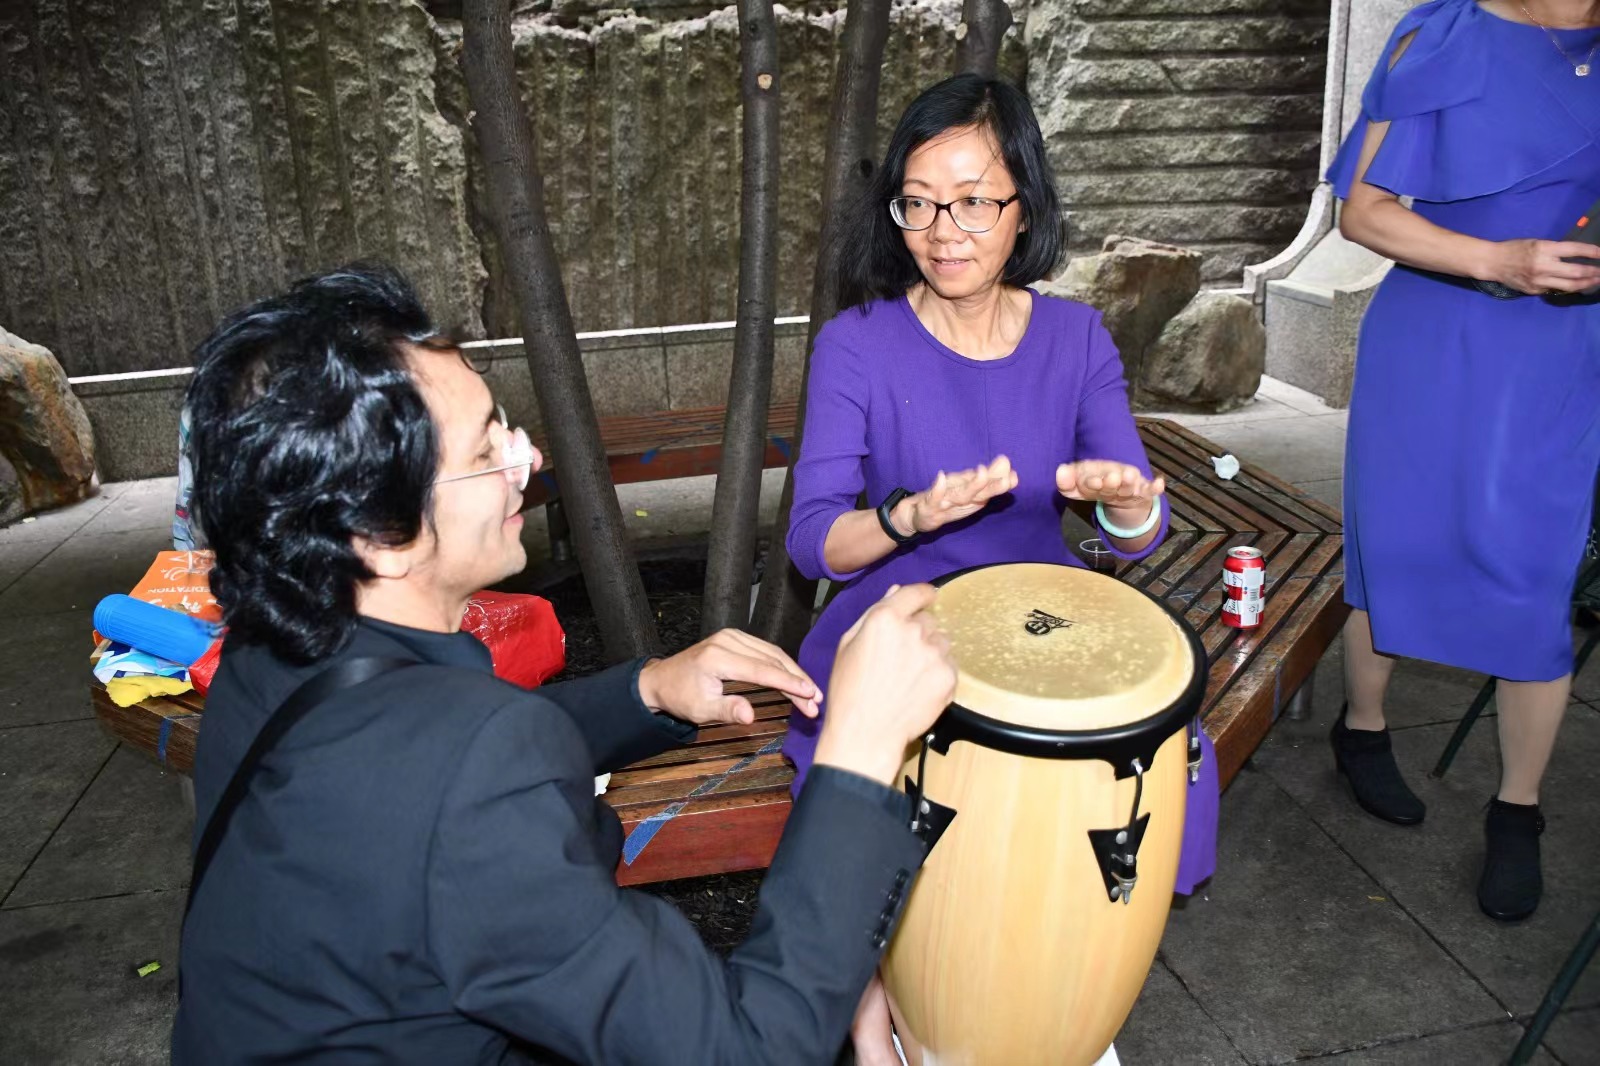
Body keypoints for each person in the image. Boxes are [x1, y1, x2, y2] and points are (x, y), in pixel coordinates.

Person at [170, 264, 959, 1064]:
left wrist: (649, 689)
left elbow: (432, 771)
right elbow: (749, 1050)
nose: (527, 456)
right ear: (379, 534)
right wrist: (858, 755)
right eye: (486, 449)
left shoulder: (272, 648)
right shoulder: (469, 768)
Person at [779, 73, 1216, 1063]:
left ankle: (1047, 997)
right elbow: (815, 538)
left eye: (974, 201)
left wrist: (1126, 499)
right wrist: (906, 516)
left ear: (1025, 206)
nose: (944, 232)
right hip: (894, 617)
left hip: (1037, 616)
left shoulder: (1075, 337)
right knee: (878, 802)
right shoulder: (858, 345)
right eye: (919, 203)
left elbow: (1139, 533)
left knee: (1151, 744)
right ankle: (878, 1015)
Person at [1326, 0, 1600, 921]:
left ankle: (1518, 808)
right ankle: (1363, 729)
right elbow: (1363, 213)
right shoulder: (1441, 34)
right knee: (1396, 545)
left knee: (1534, 573)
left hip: (1562, 354)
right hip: (1433, 336)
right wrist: (1499, 260)